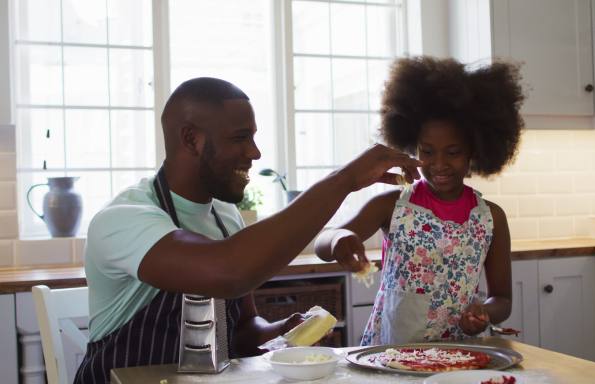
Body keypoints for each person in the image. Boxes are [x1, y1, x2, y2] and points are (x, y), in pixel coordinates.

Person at [74, 77, 420, 383]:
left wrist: (283, 333)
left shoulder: (225, 215)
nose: (254, 152)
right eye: (240, 138)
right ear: (191, 139)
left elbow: (240, 331)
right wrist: (343, 180)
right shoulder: (124, 219)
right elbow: (228, 271)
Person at [315, 57, 524, 345]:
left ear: (474, 151)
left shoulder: (491, 218)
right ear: (412, 147)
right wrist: (340, 238)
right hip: (394, 351)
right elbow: (323, 244)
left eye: (453, 152)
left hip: (460, 352)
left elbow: (502, 300)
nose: (439, 163)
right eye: (427, 151)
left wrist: (484, 313)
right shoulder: (392, 206)